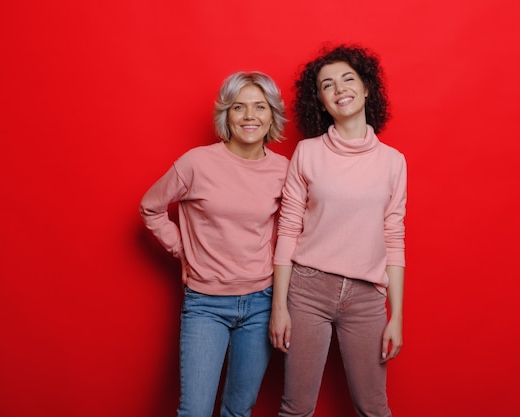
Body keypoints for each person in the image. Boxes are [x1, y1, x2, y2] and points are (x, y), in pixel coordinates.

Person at [140, 71, 289, 417]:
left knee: (239, 410)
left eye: (260, 107)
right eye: (239, 107)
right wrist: (182, 250)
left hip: (261, 303)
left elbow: (292, 230)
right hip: (206, 304)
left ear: (272, 116)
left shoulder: (284, 169)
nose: (250, 116)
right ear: (226, 114)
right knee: (194, 412)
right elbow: (151, 207)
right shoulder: (196, 163)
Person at [268, 44, 407, 417]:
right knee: (296, 408)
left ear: (366, 89)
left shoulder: (393, 162)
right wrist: (279, 307)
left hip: (365, 298)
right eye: (327, 85)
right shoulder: (307, 152)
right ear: (322, 102)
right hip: (308, 290)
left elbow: (393, 237)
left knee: (374, 408)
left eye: (348, 79)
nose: (339, 89)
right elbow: (288, 231)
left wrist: (396, 315)